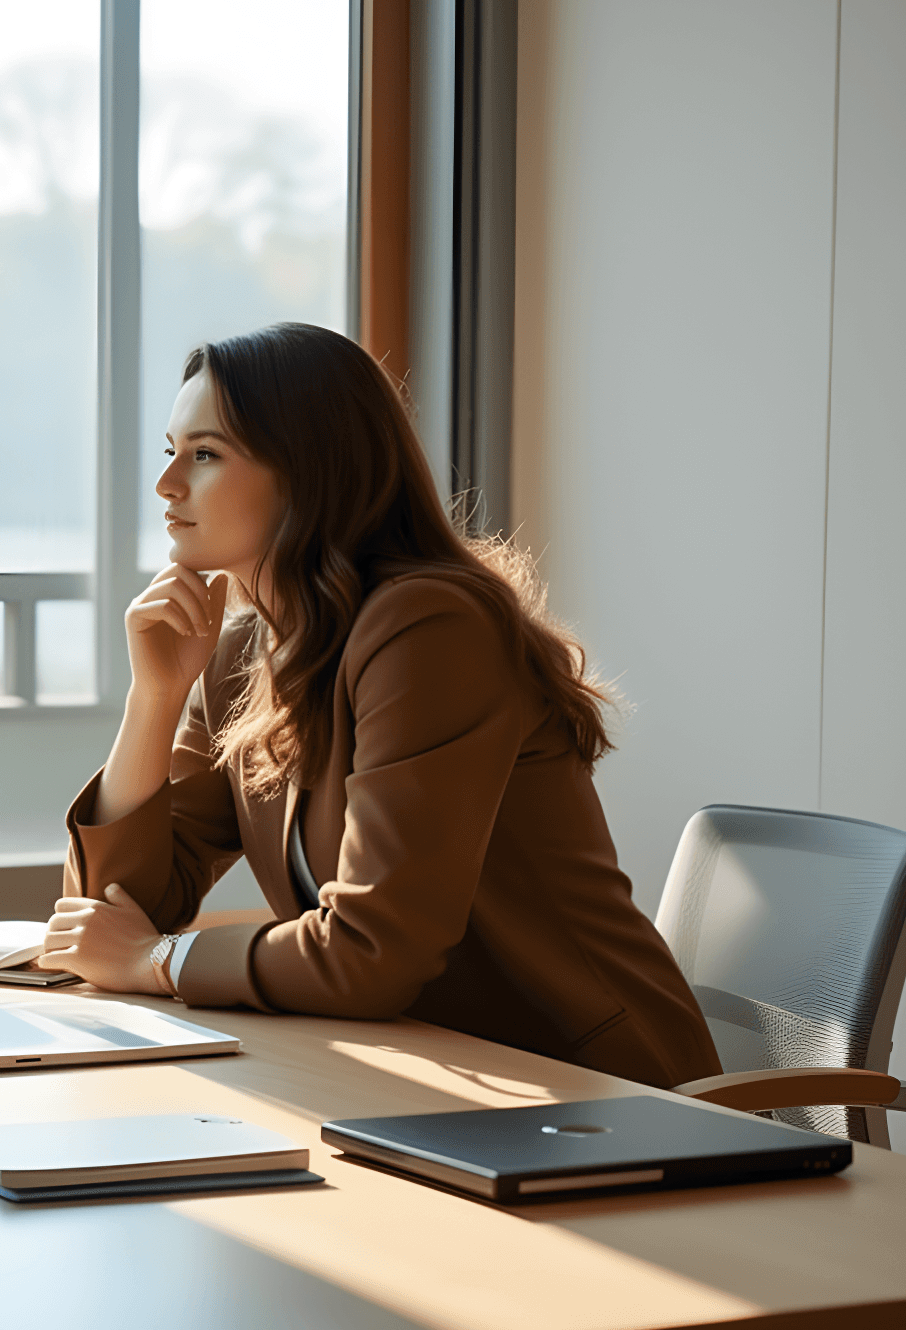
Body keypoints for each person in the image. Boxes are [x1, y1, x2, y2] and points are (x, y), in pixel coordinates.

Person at [36, 323, 717, 1089]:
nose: (166, 486)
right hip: (434, 1076)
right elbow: (111, 915)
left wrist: (156, 961)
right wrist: (154, 699)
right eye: (170, 452)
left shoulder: (428, 626)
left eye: (205, 454)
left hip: (593, 1086)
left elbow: (372, 952)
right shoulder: (244, 651)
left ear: (308, 470)